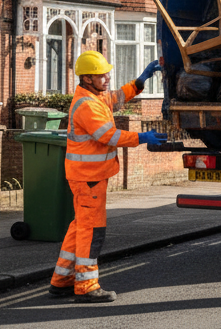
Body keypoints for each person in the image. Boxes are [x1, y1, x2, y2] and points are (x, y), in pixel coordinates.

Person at [48, 52, 166, 303]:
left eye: (107, 72)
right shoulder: (87, 105)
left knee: (79, 227)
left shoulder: (95, 96)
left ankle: (61, 281)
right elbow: (108, 136)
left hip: (88, 177)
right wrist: (141, 138)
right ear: (87, 78)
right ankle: (87, 286)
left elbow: (116, 98)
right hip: (88, 178)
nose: (107, 77)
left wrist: (140, 81)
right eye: (102, 74)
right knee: (92, 231)